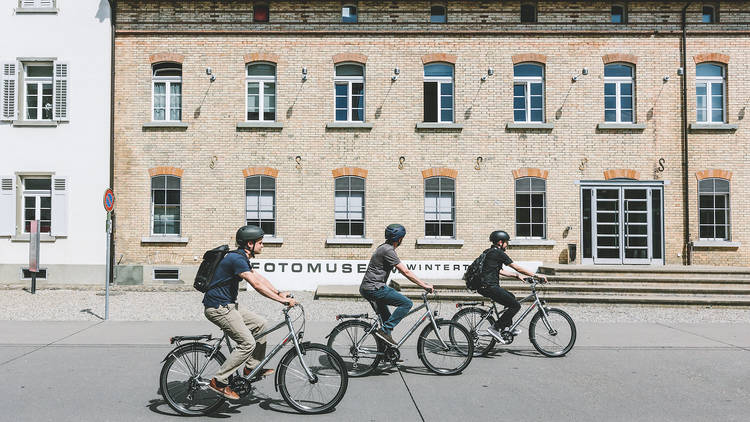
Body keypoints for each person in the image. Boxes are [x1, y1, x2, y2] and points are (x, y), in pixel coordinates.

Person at [204, 225, 297, 400]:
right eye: (260, 243)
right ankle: (219, 381)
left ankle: (251, 368)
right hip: (218, 308)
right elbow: (257, 285)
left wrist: (278, 292)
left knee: (260, 324)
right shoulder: (236, 259)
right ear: (249, 243)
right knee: (247, 343)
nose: (263, 246)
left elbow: (258, 277)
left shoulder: (241, 257)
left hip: (228, 305)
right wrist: (282, 301)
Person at [360, 224, 434, 346]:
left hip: (369, 288)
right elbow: (405, 272)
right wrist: (424, 285)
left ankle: (387, 352)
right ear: (399, 239)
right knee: (406, 303)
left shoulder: (383, 247)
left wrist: (423, 283)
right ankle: (384, 331)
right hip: (374, 288)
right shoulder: (388, 250)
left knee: (387, 319)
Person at [478, 230, 548, 344]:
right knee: (515, 305)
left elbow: (499, 270)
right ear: (500, 242)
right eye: (506, 243)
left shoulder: (490, 252)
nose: (507, 245)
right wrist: (535, 275)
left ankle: (506, 327)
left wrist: (516, 276)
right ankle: (495, 328)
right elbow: (517, 267)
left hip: (485, 286)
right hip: (489, 286)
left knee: (511, 297)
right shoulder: (498, 253)